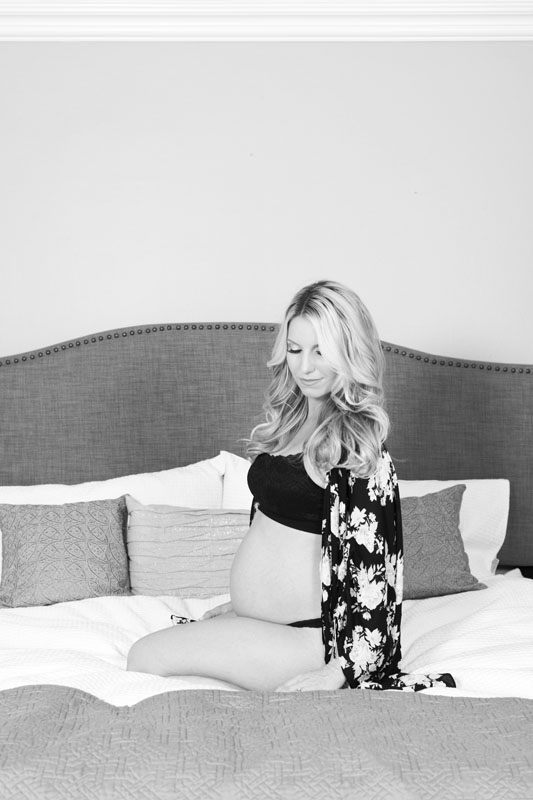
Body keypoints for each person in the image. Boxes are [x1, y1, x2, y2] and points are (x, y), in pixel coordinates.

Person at [127, 280, 454, 693]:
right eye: (296, 350)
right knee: (159, 665)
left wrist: (336, 673)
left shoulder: (358, 448)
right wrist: (242, 607)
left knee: (146, 657)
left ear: (348, 352)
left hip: (312, 637)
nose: (305, 367)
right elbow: (273, 530)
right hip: (265, 625)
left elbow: (375, 572)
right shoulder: (288, 423)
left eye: (321, 351)